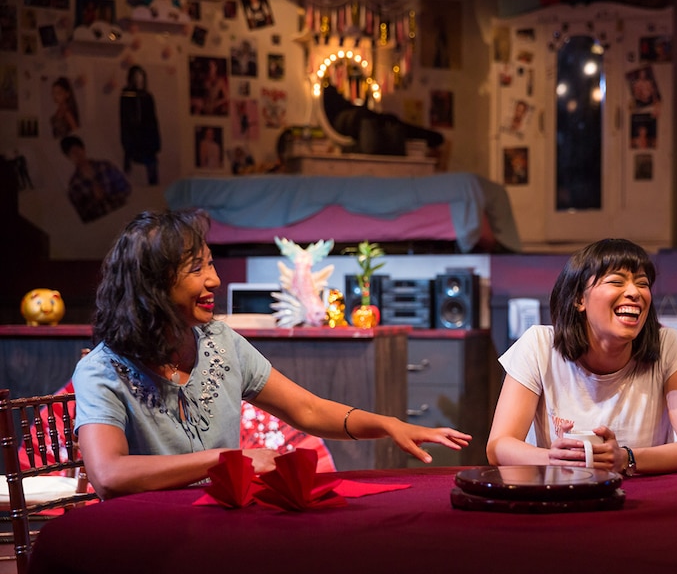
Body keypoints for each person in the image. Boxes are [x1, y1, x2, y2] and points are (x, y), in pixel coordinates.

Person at [73, 209, 471, 499]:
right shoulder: (101, 370)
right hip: (144, 540)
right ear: (153, 285)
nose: (214, 279)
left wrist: (387, 424)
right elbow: (109, 474)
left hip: (221, 526)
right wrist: (230, 460)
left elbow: (309, 410)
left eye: (210, 264)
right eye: (197, 269)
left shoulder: (220, 342)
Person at [486, 238, 677, 476]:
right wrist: (551, 458)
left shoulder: (670, 347)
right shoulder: (539, 346)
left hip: (644, 501)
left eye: (642, 283)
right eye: (616, 281)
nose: (634, 292)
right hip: (561, 498)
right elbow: (499, 445)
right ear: (579, 299)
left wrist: (627, 457)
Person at [60, 135, 131, 223]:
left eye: (78, 150)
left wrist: (108, 195)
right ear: (68, 157)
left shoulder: (105, 166)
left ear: (83, 149)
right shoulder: (74, 185)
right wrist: (95, 200)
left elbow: (126, 188)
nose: (77, 155)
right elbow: (82, 215)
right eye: (72, 153)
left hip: (123, 216)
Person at [120, 65, 161, 185]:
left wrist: (156, 142)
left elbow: (153, 120)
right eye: (136, 77)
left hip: (147, 139)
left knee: (152, 168)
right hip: (132, 138)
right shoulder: (127, 95)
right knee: (128, 170)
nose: (139, 80)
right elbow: (124, 119)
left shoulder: (147, 96)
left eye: (141, 77)